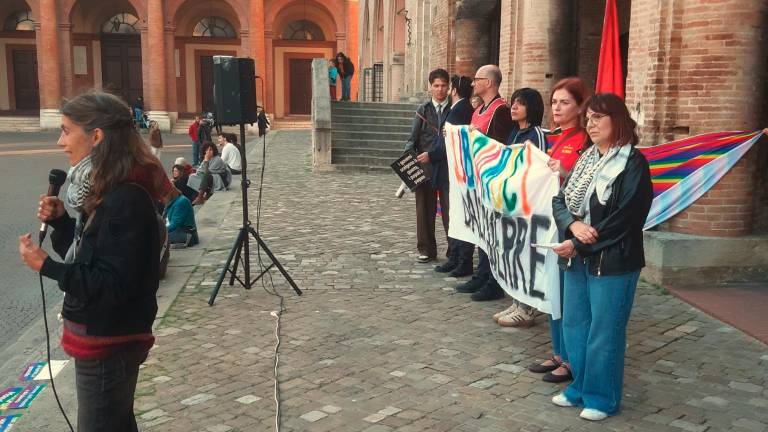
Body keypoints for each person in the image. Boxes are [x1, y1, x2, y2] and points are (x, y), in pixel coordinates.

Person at [18, 90, 170, 431]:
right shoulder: (108, 190)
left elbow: (111, 284)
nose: (60, 141)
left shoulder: (124, 199)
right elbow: (95, 256)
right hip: (104, 340)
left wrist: (47, 266)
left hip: (108, 344)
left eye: (66, 130)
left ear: (96, 137)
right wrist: (62, 224)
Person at [550, 93, 653, 421]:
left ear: (617, 121)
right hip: (577, 256)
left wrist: (579, 242)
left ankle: (601, 396)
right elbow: (559, 200)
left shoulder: (633, 164)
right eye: (589, 118)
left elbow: (626, 218)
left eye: (598, 118)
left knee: (604, 331)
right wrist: (572, 225)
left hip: (614, 261)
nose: (590, 124)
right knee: (575, 324)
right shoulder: (586, 159)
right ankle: (579, 386)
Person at [517, 78, 590, 384]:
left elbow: (584, 181)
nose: (557, 108)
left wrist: (563, 171)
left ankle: (573, 358)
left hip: (572, 228)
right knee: (554, 293)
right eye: (554, 102)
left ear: (580, 107)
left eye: (565, 103)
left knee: (571, 298)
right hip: (550, 225)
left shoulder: (584, 140)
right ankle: (559, 352)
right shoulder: (556, 138)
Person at [455, 64, 513, 301]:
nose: (472, 83)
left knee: (492, 233)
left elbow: (497, 146)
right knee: (481, 230)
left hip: (491, 180)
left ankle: (493, 279)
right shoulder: (478, 110)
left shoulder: (501, 110)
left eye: (477, 79)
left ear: (488, 83)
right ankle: (481, 272)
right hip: (475, 179)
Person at [491, 87, 547, 326]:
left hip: (528, 207)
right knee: (512, 253)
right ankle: (516, 300)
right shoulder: (514, 132)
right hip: (511, 205)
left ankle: (527, 308)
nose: (513, 107)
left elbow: (539, 168)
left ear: (531, 108)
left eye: (520, 103)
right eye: (513, 102)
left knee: (526, 256)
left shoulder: (536, 135)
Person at [405, 68, 451, 263]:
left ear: (449, 87)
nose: (440, 90)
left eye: (443, 86)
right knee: (424, 209)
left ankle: (454, 249)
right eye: (436, 86)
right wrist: (409, 160)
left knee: (451, 211)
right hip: (425, 168)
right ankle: (426, 249)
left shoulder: (454, 110)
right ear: (430, 87)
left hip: (449, 167)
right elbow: (412, 140)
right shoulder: (422, 110)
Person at [431, 75, 475, 277]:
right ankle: (455, 257)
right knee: (454, 216)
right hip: (454, 171)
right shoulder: (460, 109)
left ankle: (461, 259)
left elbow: (448, 143)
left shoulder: (460, 111)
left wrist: (431, 155)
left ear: (454, 90)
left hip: (455, 172)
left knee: (457, 216)